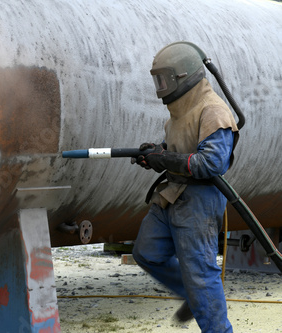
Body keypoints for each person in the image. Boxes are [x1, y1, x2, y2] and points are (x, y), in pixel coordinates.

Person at [131, 41, 239, 333]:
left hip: (198, 203)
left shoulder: (213, 111)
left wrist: (165, 157)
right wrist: (156, 154)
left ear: (183, 76)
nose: (161, 86)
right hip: (171, 196)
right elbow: (179, 149)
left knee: (201, 277)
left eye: (164, 79)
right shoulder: (181, 112)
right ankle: (192, 294)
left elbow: (211, 164)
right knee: (146, 252)